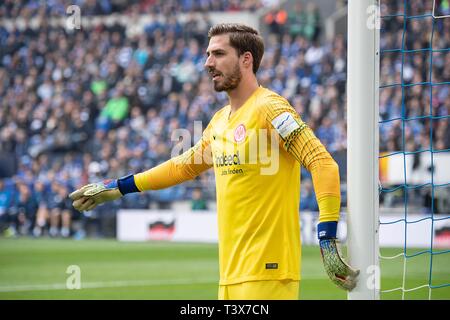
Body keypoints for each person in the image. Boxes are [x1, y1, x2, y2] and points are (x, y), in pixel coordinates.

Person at [70, 23, 358, 300]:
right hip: (231, 273)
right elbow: (181, 166)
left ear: (246, 60)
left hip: (269, 271)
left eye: (218, 54)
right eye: (208, 54)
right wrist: (119, 187)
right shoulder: (220, 121)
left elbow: (323, 163)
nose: (208, 62)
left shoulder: (270, 107)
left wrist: (327, 240)